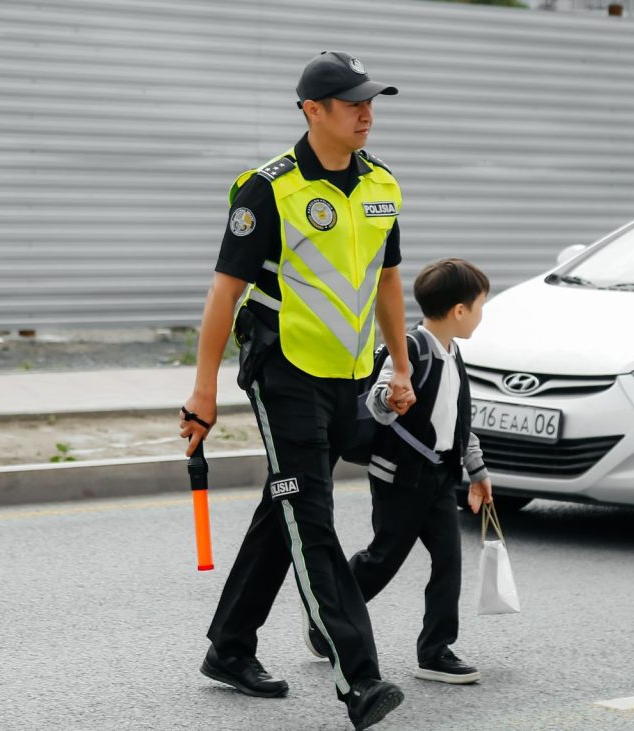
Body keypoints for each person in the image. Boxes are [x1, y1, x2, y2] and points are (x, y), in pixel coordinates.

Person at [179, 50, 415, 731]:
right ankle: (359, 677)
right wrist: (203, 392)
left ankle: (229, 646)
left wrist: (398, 367)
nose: (366, 112)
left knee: (284, 503)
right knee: (310, 515)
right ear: (313, 111)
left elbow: (388, 280)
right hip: (285, 372)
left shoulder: (382, 186)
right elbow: (224, 293)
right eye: (351, 102)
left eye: (371, 100)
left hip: (351, 374)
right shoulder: (268, 190)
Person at [303, 258, 494, 685]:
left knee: (449, 561)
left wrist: (477, 470)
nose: (482, 316)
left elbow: (460, 422)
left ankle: (435, 651)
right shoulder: (409, 349)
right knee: (383, 559)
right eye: (480, 307)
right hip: (400, 479)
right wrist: (390, 398)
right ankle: (326, 617)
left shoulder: (453, 353)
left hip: (441, 478)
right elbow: (376, 402)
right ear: (460, 310)